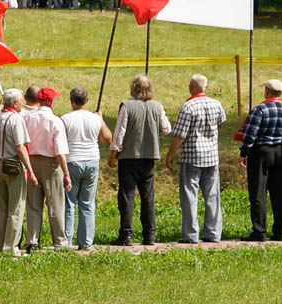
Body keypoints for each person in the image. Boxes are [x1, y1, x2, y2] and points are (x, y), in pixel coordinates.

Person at [164, 74, 226, 244]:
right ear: (205, 87)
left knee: (190, 197)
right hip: (212, 156)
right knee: (212, 195)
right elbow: (221, 123)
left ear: (191, 87)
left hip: (192, 156)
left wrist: (170, 154)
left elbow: (180, 135)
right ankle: (213, 233)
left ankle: (191, 235)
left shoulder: (188, 107)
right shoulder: (216, 104)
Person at [110, 74, 169, 246]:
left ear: (133, 88)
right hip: (149, 156)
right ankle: (149, 235)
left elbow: (120, 132)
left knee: (127, 195)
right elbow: (166, 128)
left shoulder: (127, 105)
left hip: (128, 157)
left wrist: (114, 153)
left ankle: (126, 234)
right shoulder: (157, 106)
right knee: (147, 195)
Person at [239, 78, 282, 242]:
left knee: (258, 191)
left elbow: (250, 134)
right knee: (280, 191)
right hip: (279, 150)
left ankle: (259, 230)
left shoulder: (259, 110)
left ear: (267, 91)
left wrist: (244, 152)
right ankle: (281, 229)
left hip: (261, 151)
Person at [60, 86, 111, 250]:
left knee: (69, 203)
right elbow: (107, 140)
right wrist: (101, 120)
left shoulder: (65, 119)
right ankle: (86, 242)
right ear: (87, 101)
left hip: (72, 160)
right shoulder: (95, 118)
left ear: (71, 100)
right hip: (91, 160)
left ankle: (67, 240)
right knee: (87, 203)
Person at [0, 88, 37, 254]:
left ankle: (0, 245)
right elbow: (21, 147)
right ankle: (11, 246)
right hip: (13, 164)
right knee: (16, 207)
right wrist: (31, 171)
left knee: (1, 206)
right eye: (21, 100)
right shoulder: (16, 119)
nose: (23, 102)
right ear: (15, 103)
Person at [22, 86, 71, 252]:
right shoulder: (55, 121)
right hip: (50, 163)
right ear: (49, 101)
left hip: (31, 162)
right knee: (55, 203)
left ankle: (32, 240)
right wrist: (66, 173)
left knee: (33, 204)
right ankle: (59, 242)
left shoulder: (28, 118)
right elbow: (60, 150)